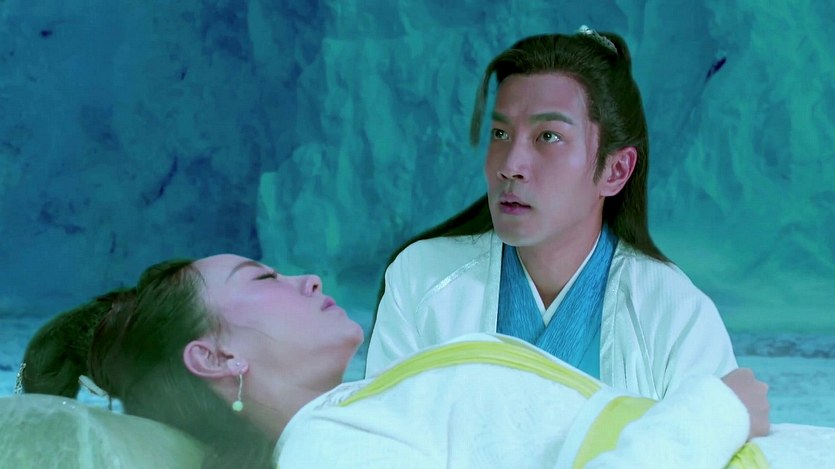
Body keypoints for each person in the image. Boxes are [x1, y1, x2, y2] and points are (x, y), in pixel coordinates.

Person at [18, 253, 835, 469]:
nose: (306, 278)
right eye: (261, 278)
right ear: (214, 354)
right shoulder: (327, 451)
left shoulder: (357, 415)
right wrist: (713, 411)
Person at [366, 27, 737, 399]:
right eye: (500, 134)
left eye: (548, 136)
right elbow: (380, 432)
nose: (511, 166)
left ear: (615, 170)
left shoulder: (675, 315)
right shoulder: (422, 280)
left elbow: (714, 432)